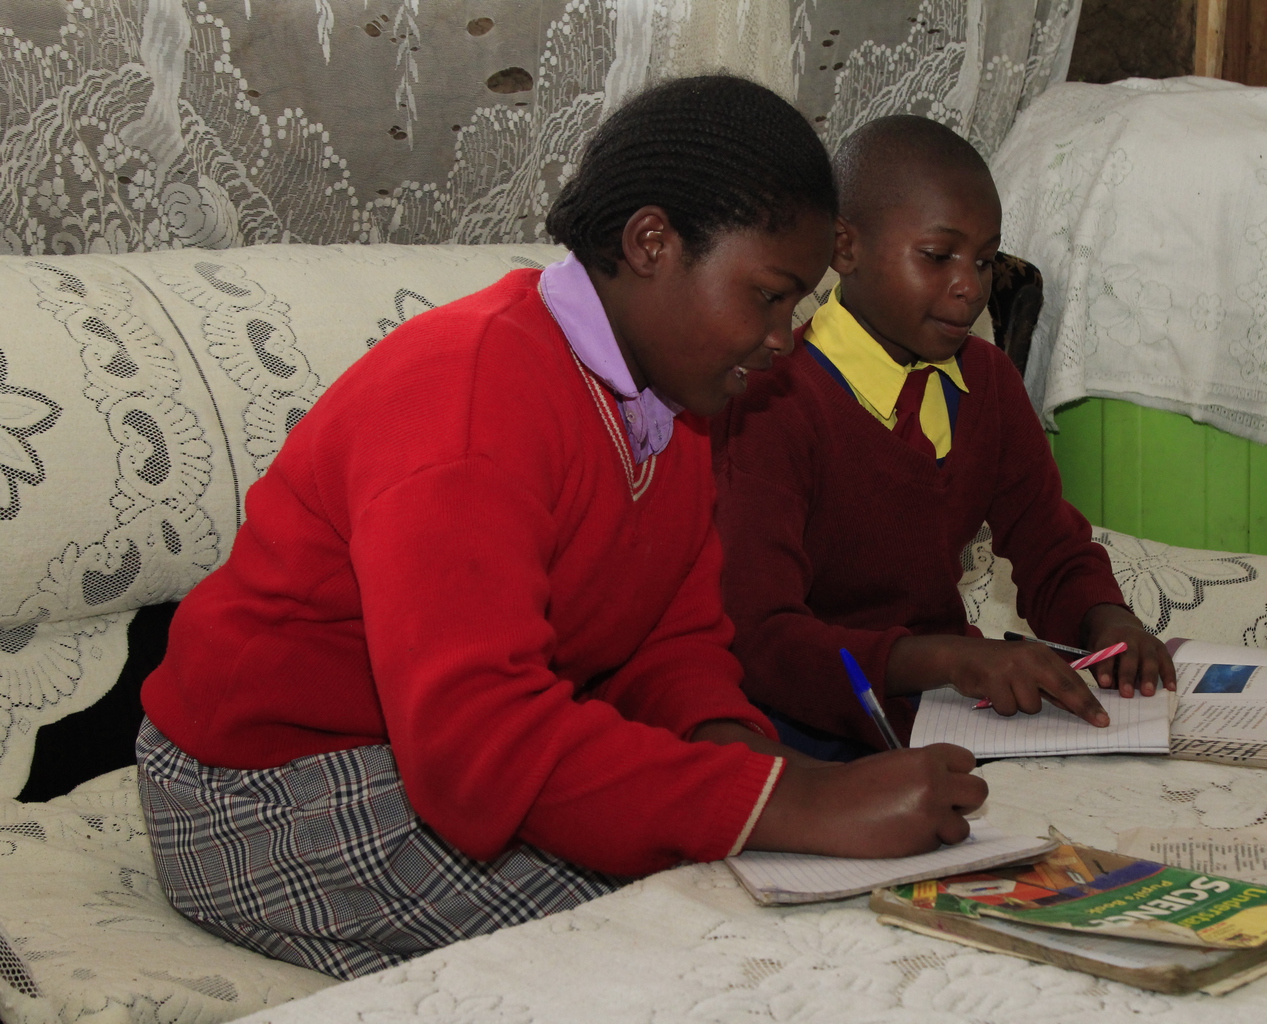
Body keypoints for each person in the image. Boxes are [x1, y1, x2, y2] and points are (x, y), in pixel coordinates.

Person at [135, 78, 986, 980]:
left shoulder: (676, 401)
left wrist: (749, 764)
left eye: (798, 305)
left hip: (433, 754)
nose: (784, 339)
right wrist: (792, 803)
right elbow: (479, 747)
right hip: (263, 787)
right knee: (690, 936)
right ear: (651, 243)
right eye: (769, 296)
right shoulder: (470, 399)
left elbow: (674, 642)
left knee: (769, 883)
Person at [712, 114, 1176, 761]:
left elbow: (1049, 546)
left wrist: (1108, 620)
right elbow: (761, 637)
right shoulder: (773, 403)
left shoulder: (986, 382)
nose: (969, 286)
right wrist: (946, 659)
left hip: (944, 714)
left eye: (985, 261)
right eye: (937, 256)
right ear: (843, 249)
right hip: (806, 730)